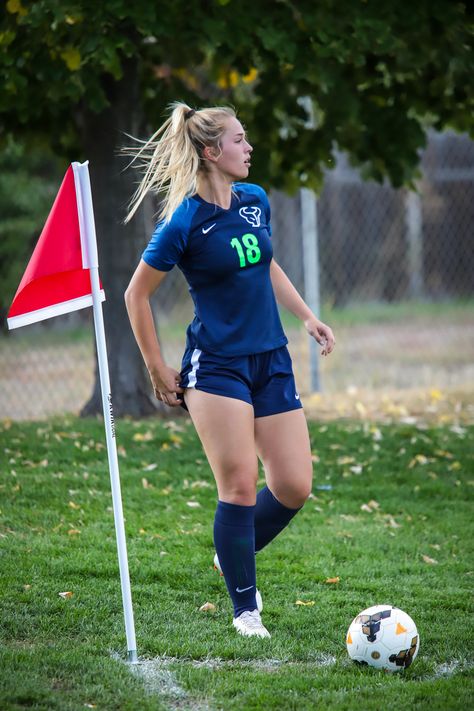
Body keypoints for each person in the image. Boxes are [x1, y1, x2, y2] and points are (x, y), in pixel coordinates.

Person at [124, 102, 335, 639]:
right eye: (240, 140)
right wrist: (155, 366)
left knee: (293, 484)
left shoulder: (254, 200)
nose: (249, 148)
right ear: (211, 152)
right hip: (216, 366)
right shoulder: (184, 221)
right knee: (239, 486)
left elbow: (263, 263)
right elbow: (136, 295)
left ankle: (231, 553)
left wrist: (307, 316)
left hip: (271, 358)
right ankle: (246, 609)